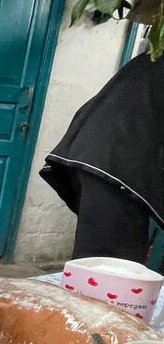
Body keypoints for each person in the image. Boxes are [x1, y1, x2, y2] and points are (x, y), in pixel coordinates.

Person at [40, 52, 164, 266]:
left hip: (94, 152)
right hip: (116, 160)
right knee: (112, 263)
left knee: (100, 253)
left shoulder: (155, 54)